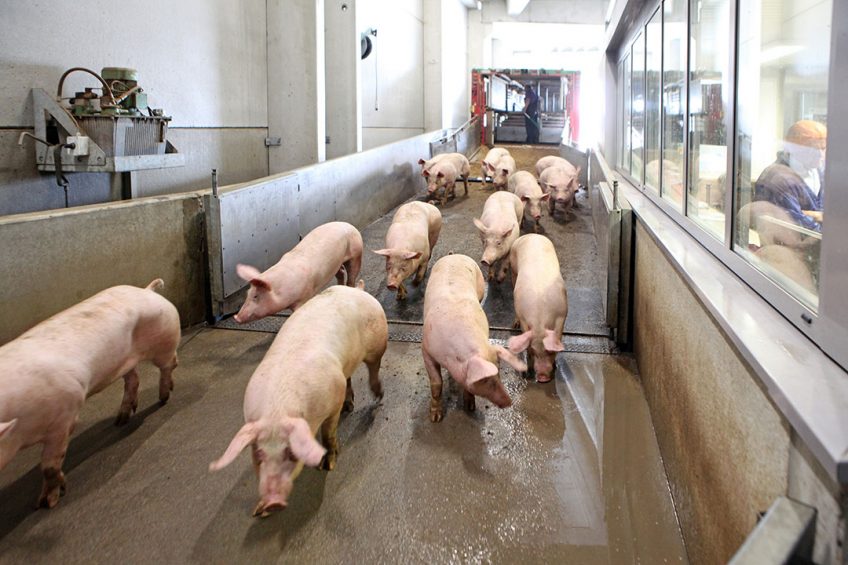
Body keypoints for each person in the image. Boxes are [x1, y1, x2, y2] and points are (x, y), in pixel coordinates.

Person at [753, 120, 826, 232]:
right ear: (793, 147)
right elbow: (800, 230)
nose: (821, 154)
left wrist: (819, 216)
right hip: (786, 248)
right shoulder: (778, 179)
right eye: (814, 149)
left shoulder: (820, 171)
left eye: (823, 148)